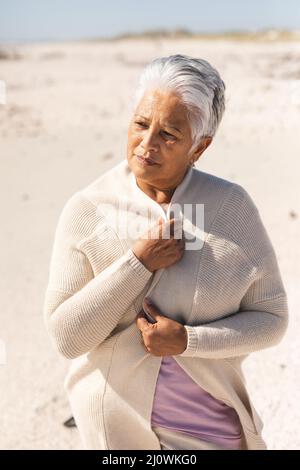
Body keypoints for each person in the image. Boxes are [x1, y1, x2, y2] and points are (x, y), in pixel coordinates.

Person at [43, 54, 288, 450]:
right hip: (118, 432)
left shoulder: (230, 208)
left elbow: (272, 319)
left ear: (200, 147)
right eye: (140, 124)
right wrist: (137, 263)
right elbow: (66, 338)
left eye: (168, 135)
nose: (146, 144)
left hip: (213, 429)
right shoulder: (88, 209)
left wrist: (188, 340)